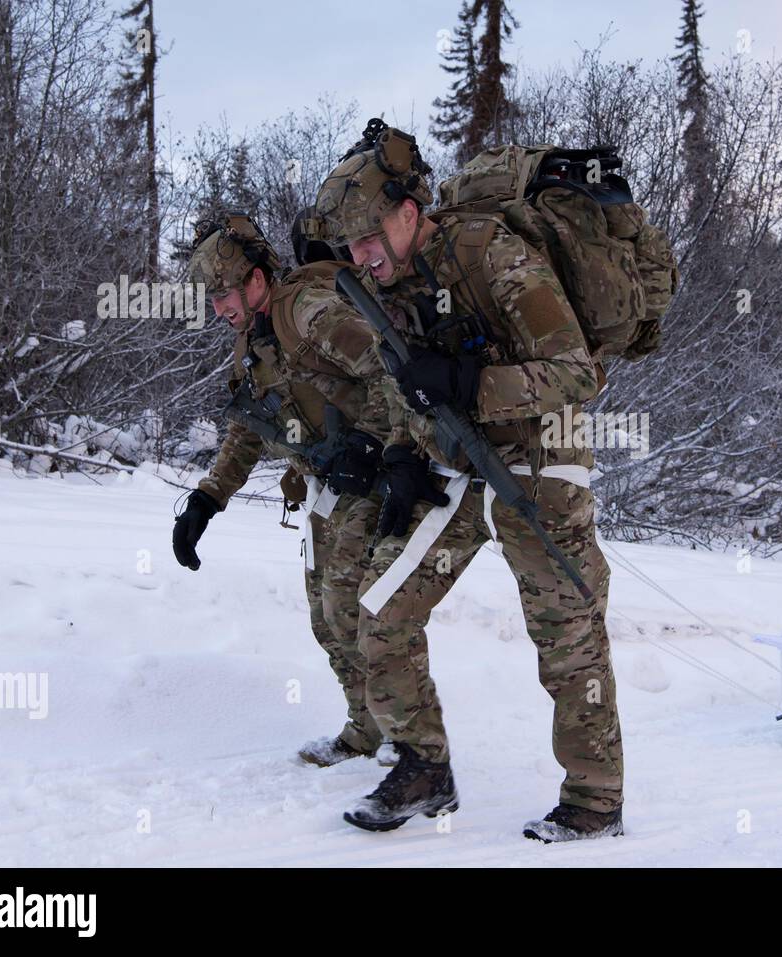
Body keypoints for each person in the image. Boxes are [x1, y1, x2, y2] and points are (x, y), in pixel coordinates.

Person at [312, 123, 624, 842]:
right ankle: (424, 767)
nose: (360, 256)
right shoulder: (389, 284)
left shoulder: (490, 252)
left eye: (369, 237)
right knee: (381, 607)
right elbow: (401, 382)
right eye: (350, 245)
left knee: (566, 633)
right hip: (457, 460)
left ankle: (595, 798)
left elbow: (577, 372)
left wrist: (470, 383)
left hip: (540, 458)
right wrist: (398, 452)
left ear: (409, 213)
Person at [174, 210, 397, 768]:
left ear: (255, 279)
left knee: (354, 610)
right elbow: (251, 424)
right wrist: (207, 499)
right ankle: (366, 731)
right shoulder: (252, 336)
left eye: (225, 293)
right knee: (326, 619)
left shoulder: (308, 312)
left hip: (376, 476)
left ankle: (408, 746)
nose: (220, 308)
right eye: (212, 299)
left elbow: (390, 368)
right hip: (327, 486)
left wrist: (370, 444)